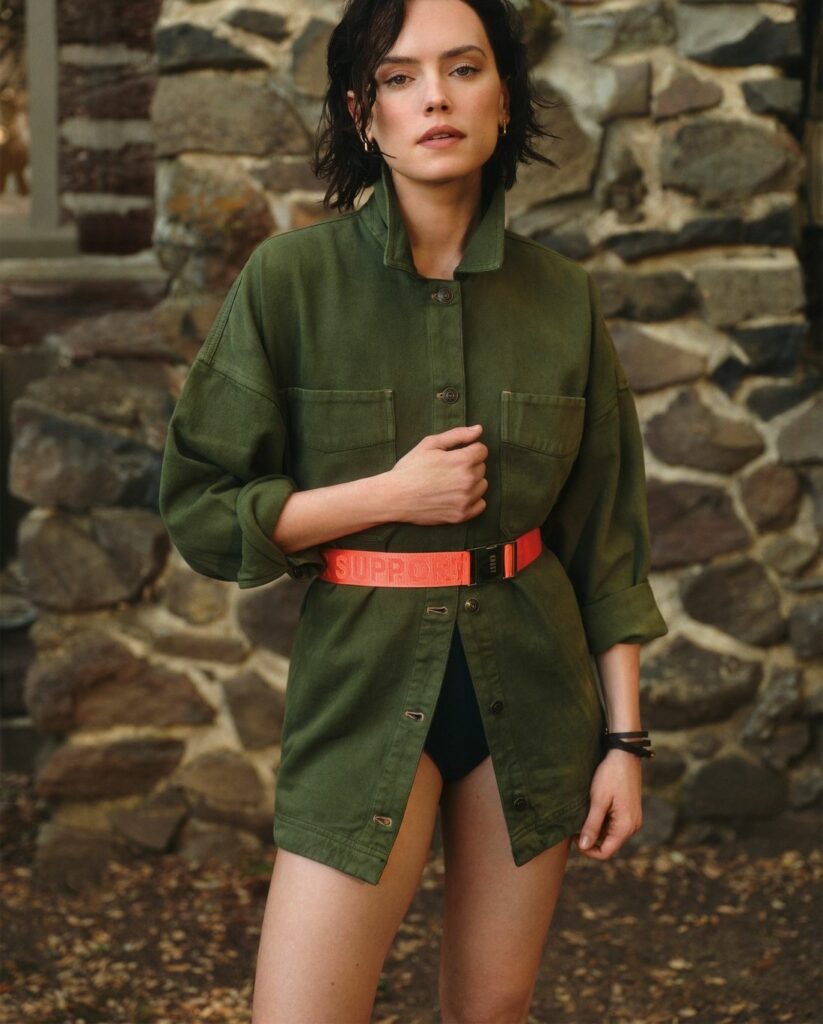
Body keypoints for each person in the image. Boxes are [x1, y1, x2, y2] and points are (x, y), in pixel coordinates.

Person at [158, 0, 669, 1020]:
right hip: (361, 688)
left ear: (504, 99)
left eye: (463, 69)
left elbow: (604, 545)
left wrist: (625, 744)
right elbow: (202, 511)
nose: (434, 97)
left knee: (493, 1009)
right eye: (399, 77)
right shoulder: (289, 282)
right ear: (363, 114)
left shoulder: (563, 299)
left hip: (533, 690)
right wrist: (388, 496)